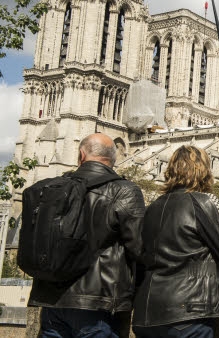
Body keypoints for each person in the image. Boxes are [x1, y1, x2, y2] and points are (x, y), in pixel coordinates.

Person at [28, 133, 146, 338]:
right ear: (114, 158)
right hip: (97, 303)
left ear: (81, 155)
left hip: (51, 300)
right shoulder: (124, 191)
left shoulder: (54, 187)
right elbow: (139, 248)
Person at [131, 145, 219, 338]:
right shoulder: (206, 201)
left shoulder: (153, 207)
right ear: (203, 170)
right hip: (189, 312)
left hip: (148, 311)